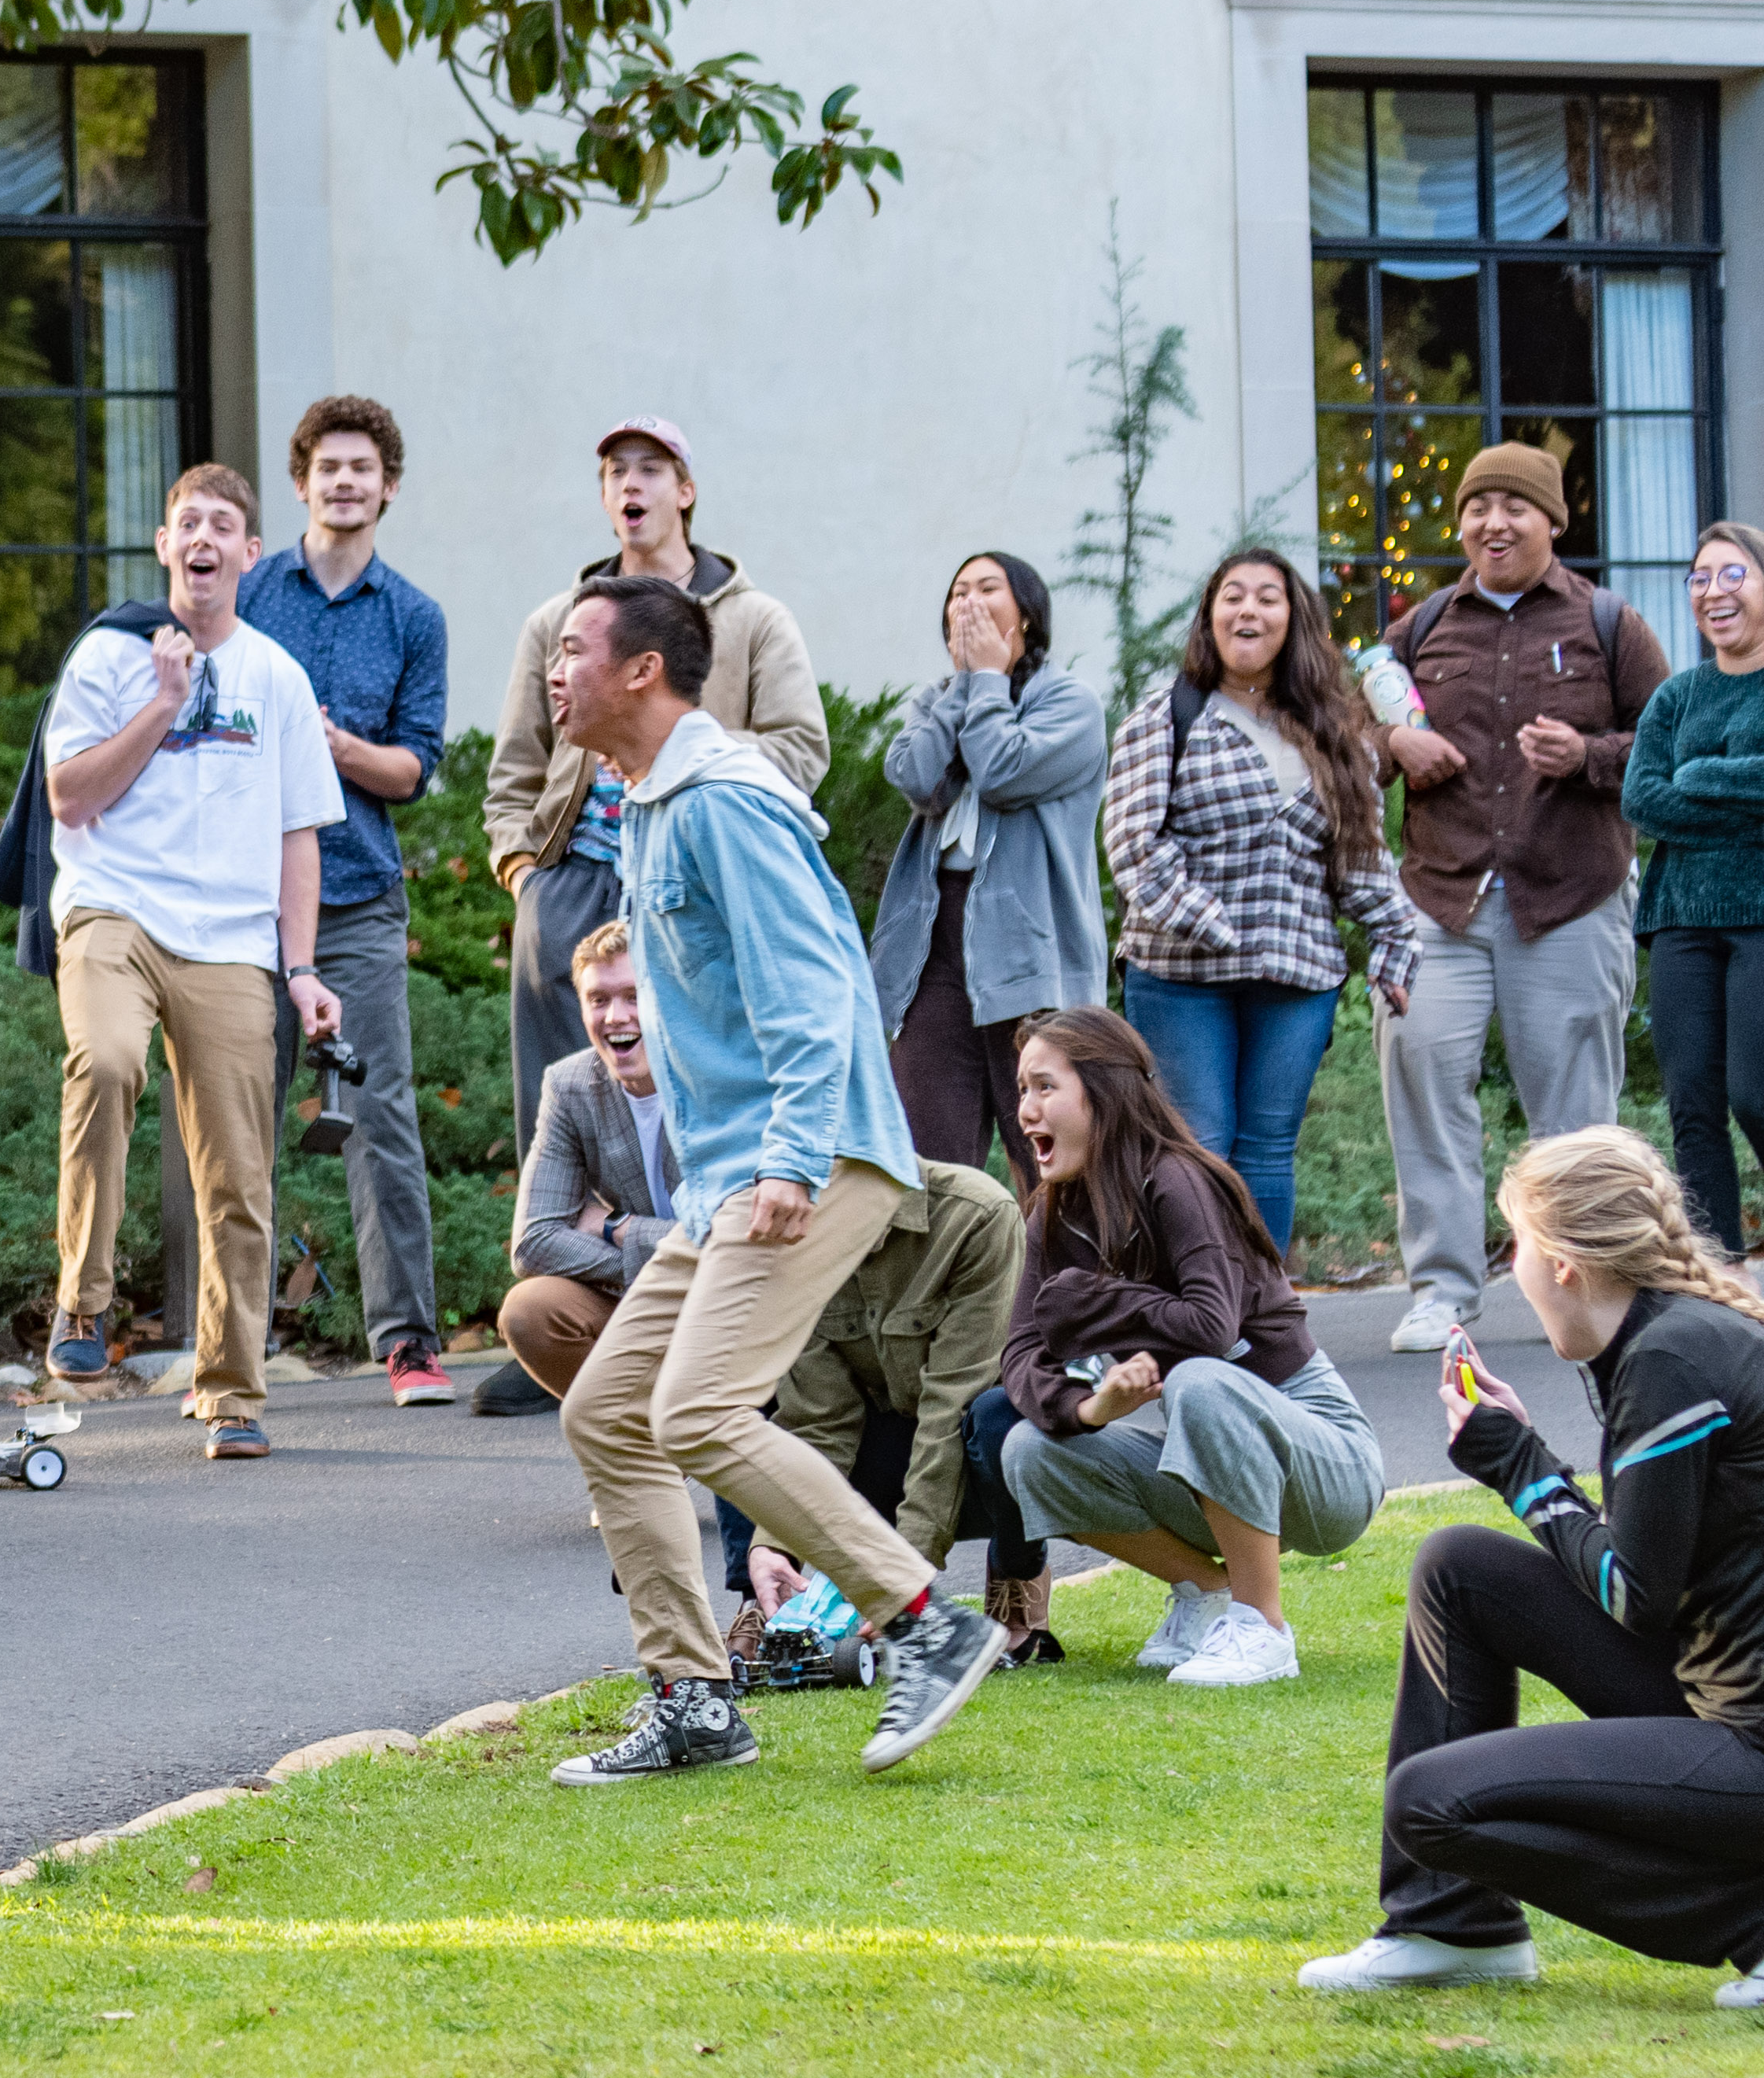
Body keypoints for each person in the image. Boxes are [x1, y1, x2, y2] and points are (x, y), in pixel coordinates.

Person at [536, 574, 1004, 1788]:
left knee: (697, 1411)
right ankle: (696, 1701)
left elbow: (815, 988)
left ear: (645, 670)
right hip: (727, 1180)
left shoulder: (727, 801)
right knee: (609, 1413)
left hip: (809, 1155)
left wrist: (794, 1158)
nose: (554, 667)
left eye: (576, 648)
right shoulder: (645, 808)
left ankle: (924, 1622)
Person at [1302, 1126, 1764, 2009]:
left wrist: (1521, 1467)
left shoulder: (1670, 1359)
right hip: (1720, 1702)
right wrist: (1527, 1463)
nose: (1507, 1265)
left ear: (1561, 1263)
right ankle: (1450, 1923)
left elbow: (1635, 1595)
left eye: (1514, 1241)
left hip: (1750, 1745)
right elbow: (1654, 1578)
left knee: (1428, 1803)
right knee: (1458, 1566)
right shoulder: (1672, 1337)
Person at [37, 465, 346, 1457]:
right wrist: (161, 704)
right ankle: (84, 1306)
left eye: (224, 525)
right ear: (166, 547)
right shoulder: (108, 658)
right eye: (187, 525)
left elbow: (302, 836)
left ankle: (231, 1389)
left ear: (250, 555)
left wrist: (300, 970)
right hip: (113, 910)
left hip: (232, 939)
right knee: (109, 1060)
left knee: (237, 1170)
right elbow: (69, 797)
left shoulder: (279, 679)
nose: (204, 539)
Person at [1374, 445, 1674, 1354]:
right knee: (1423, 1076)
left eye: (1515, 506)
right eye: (1478, 507)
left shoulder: (1610, 623)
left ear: (1553, 522)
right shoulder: (1421, 626)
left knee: (1574, 1109)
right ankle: (1442, 1288)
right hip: (1442, 898)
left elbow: (1666, 746)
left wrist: (1585, 757)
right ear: (1461, 523)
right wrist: (1396, 740)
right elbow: (1349, 732)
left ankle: (1588, 1280)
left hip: (1570, 897)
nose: (1493, 523)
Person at [997, 1008, 1387, 1689]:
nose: (1026, 1110)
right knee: (1029, 1452)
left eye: (1044, 1087)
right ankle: (1205, 1596)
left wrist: (1097, 1298)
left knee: (1198, 1382)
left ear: (1103, 1090)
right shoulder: (1051, 1214)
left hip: (1328, 1463)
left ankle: (1262, 1627)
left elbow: (1213, 1325)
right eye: (1022, 1090)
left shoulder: (1178, 1178)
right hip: (1214, 1466)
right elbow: (1021, 1356)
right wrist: (1090, 1409)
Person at [484, 418, 827, 1148]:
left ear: (686, 492)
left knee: (692, 1093)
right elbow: (514, 770)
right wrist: (526, 878)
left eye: (650, 469)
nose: (630, 483)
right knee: (559, 1109)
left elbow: (801, 752)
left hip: (688, 875)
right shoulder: (557, 622)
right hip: (572, 882)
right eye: (615, 472)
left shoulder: (757, 619)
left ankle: (682, 1256)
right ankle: (564, 1252)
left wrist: (675, 744)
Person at [1100, 548, 1418, 1250]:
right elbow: (1132, 846)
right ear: (1210, 618)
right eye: (1232, 597)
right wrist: (1215, 925)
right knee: (1201, 1146)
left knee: (1268, 1151)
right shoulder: (1164, 717)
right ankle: (1199, 1309)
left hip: (1298, 975)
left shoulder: (1337, 734)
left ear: (1294, 619)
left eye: (1267, 598)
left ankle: (1267, 1322)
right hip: (1180, 975)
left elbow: (1360, 854)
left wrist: (1397, 940)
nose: (1249, 610)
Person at [236, 394, 454, 1406]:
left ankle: (408, 1344)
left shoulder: (416, 617)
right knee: (236, 1121)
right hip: (240, 904)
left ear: (390, 488)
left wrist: (333, 749)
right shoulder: (249, 592)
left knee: (380, 1115)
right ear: (301, 482)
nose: (345, 482)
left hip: (360, 901)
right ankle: (227, 1353)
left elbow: (416, 767)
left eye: (363, 468)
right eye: (329, 467)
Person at [730, 1159, 1062, 1666]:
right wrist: (778, 1541)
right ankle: (767, 1599)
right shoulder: (791, 1231)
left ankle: (1017, 1576)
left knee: (999, 1418)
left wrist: (903, 1573)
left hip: (975, 1449)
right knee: (725, 1415)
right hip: (880, 1440)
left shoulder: (975, 1214)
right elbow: (819, 1422)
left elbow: (951, 1404)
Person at [867, 553, 1107, 1177]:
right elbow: (919, 775)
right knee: (929, 1162)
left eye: (986, 589)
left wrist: (988, 685)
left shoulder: (1073, 705)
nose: (968, 602)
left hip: (1030, 947)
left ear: (1026, 615)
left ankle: (1055, 1279)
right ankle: (953, 1276)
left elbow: (1002, 770)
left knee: (1044, 1158)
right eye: (958, 592)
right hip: (932, 946)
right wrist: (966, 689)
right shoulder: (936, 700)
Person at [1626, 522, 1764, 1257]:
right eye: (1701, 579)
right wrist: (1743, 812)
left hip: (1761, 919)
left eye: (1733, 575)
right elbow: (1642, 800)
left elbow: (1679, 790)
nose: (1714, 592)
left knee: (1756, 1095)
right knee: (1693, 1109)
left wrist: (1701, 778)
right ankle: (1721, 1280)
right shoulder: (1675, 699)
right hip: (1680, 921)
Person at [495, 919, 673, 1401]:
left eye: (634, 996)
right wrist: (667, 1263)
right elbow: (534, 1241)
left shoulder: (716, 1077)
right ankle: (636, 1445)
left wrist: (617, 1227)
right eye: (599, 999)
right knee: (530, 1309)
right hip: (652, 1300)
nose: (616, 1016)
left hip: (738, 1305)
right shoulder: (570, 1086)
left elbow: (729, 1240)